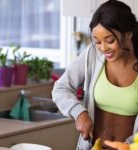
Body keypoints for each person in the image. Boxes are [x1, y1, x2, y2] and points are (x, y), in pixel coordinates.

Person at [52, 0, 138, 149]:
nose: (103, 48)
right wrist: (79, 113)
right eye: (97, 41)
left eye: (110, 40)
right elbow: (61, 88)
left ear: (129, 33)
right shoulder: (93, 54)